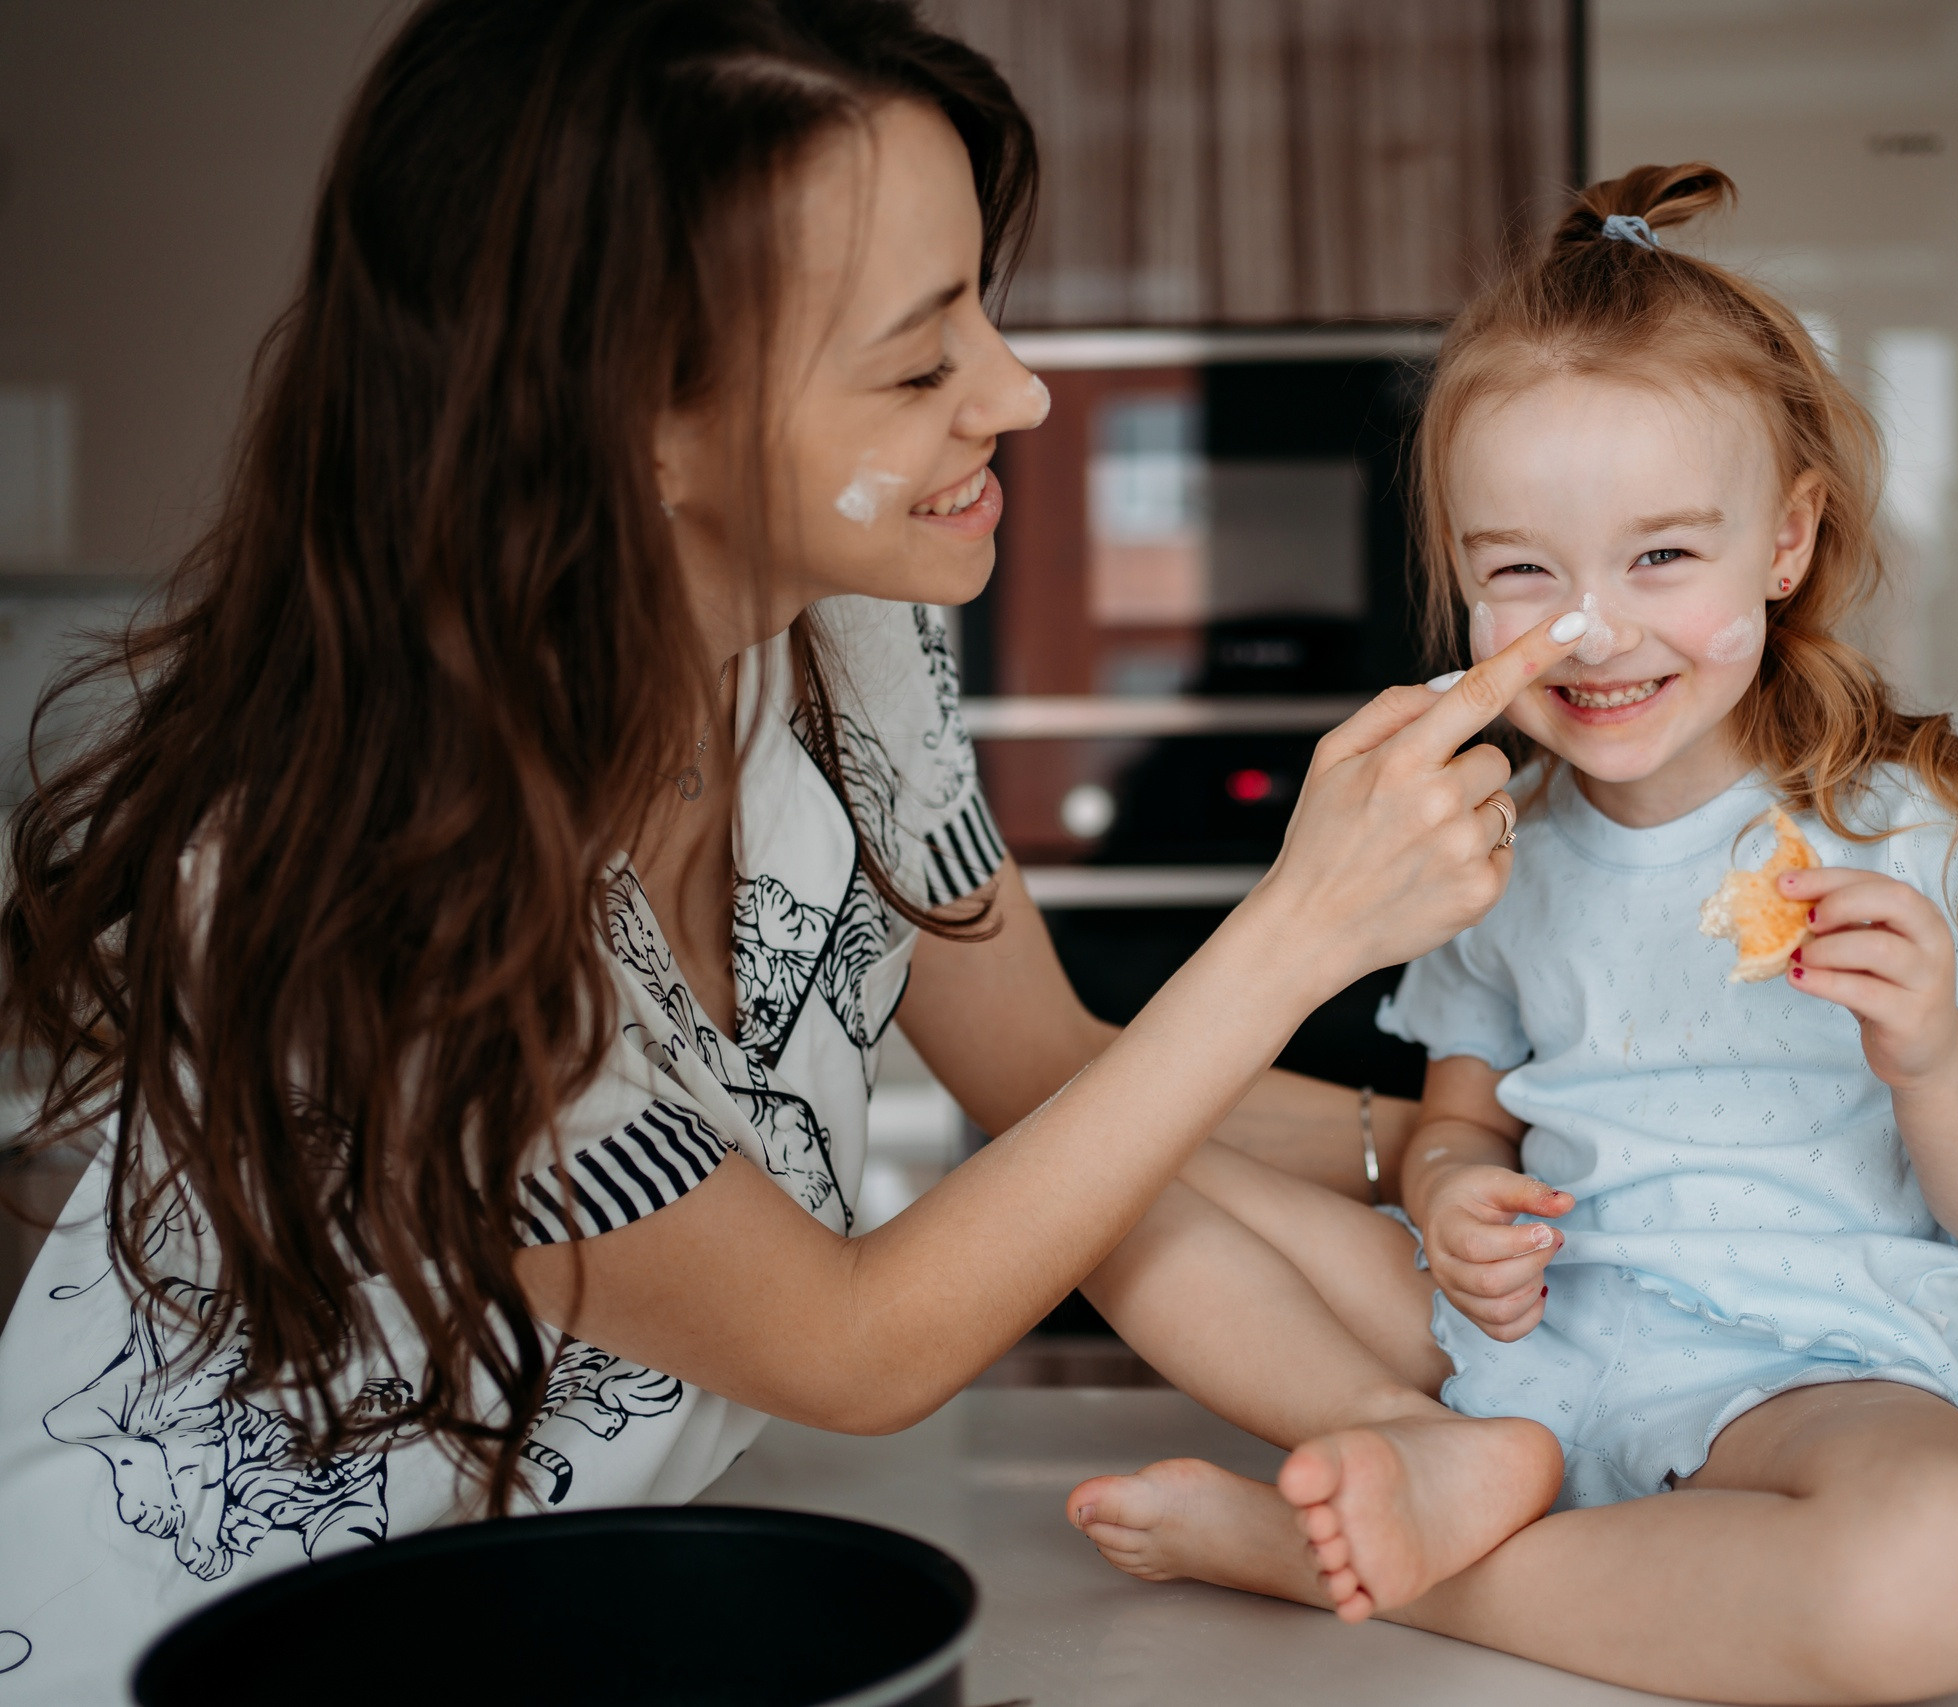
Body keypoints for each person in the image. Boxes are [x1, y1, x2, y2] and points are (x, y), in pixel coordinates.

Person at [0, 4, 1567, 1697]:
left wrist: (1477, 1149)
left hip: (568, 1620)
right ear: (639, 425)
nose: (1019, 391)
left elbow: (1054, 1070)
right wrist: (1304, 928)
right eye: (917, 361)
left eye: (982, 302)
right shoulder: (376, 897)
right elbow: (853, 1341)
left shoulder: (837, 639)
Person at [1063, 165, 1958, 1704]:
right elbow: (1456, 1133)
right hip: (1513, 1359)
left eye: (1662, 557)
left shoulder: (1932, 837)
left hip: (1800, 1385)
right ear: (1460, 580)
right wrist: (1460, 1194)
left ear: (1788, 539)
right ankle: (1440, 1460)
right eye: (1522, 574)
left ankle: (1373, 1559)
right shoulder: (1494, 850)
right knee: (1095, 1180)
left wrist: (1935, 1050)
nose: (1593, 629)